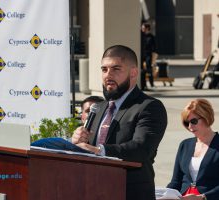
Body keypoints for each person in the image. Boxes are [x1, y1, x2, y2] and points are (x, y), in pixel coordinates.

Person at [72, 45, 168, 200]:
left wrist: (98, 151)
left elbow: (141, 148)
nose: (108, 75)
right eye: (104, 69)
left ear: (133, 73)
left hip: (128, 193)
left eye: (116, 69)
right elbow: (88, 147)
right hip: (92, 190)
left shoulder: (149, 107)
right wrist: (78, 140)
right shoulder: (99, 108)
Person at [167, 99, 219, 200]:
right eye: (186, 123)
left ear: (206, 117)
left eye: (193, 121)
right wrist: (164, 194)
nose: (190, 127)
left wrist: (203, 197)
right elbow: (176, 181)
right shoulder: (184, 145)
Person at [141, 22, 157, 90]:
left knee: (149, 70)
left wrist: (154, 59)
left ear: (147, 28)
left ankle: (151, 83)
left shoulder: (151, 37)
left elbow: (154, 49)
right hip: (142, 56)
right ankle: (144, 85)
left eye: (143, 28)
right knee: (142, 71)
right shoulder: (141, 36)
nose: (142, 29)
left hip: (148, 56)